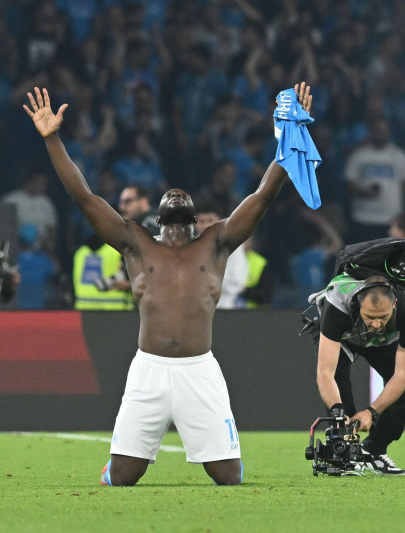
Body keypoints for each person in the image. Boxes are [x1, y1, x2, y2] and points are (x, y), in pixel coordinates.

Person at [24, 82, 314, 486]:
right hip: (149, 370)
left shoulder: (217, 243)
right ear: (157, 218)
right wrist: (53, 139)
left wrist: (292, 133)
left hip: (201, 370)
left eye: (183, 193)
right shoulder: (135, 243)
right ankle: (116, 463)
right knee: (123, 478)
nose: (176, 193)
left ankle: (224, 453)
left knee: (229, 478)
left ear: (196, 217)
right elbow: (84, 198)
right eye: (170, 193)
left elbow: (263, 195)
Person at [311, 271, 405, 476]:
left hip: (384, 341)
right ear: (357, 305)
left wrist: (371, 412)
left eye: (383, 316)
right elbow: (325, 372)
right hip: (343, 337)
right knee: (339, 392)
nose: (377, 323)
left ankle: (373, 451)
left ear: (395, 304)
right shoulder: (338, 304)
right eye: (370, 316)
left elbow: (402, 375)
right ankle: (344, 455)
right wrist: (338, 413)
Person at [195, 202, 249, 310]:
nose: (206, 225)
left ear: (220, 222)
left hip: (226, 307)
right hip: (196, 311)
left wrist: (203, 279)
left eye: (210, 220)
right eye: (201, 221)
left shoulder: (234, 245)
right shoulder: (188, 246)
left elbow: (237, 281)